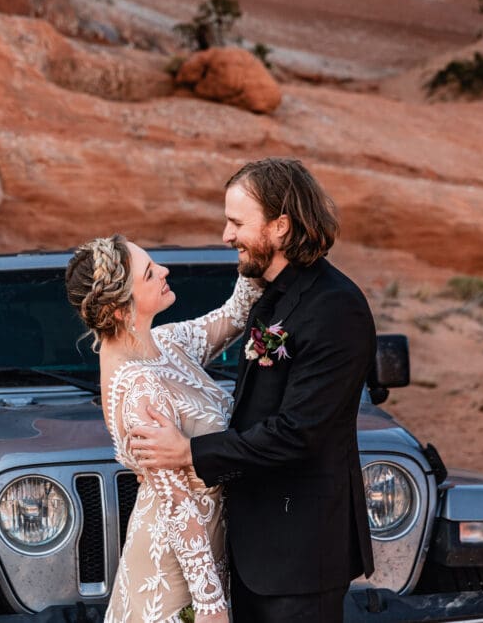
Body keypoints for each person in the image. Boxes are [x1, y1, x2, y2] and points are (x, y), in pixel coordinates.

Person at [130, 157, 376, 622]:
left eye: (237, 222)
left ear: (281, 227)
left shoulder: (334, 307)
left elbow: (298, 433)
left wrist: (188, 453)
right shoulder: (271, 294)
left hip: (299, 553)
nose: (226, 235)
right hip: (255, 550)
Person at [65, 235, 262, 623]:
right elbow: (176, 501)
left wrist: (255, 251)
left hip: (216, 553)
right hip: (172, 579)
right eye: (151, 273)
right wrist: (209, 603)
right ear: (122, 310)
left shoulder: (168, 343)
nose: (165, 272)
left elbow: (235, 314)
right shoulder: (135, 385)